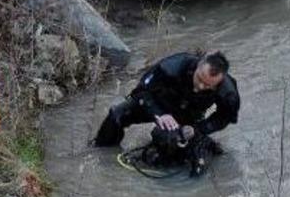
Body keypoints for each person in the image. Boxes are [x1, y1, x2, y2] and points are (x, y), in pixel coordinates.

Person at [94, 51, 240, 176]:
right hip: (156, 106)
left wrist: (198, 129)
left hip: (188, 116)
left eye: (208, 85)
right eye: (199, 78)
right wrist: (159, 114)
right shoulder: (171, 67)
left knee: (170, 145)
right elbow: (140, 92)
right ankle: (101, 156)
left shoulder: (228, 91)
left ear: (219, 81)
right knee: (116, 115)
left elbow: (225, 117)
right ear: (199, 65)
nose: (200, 87)